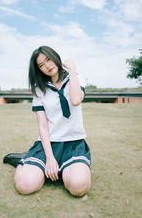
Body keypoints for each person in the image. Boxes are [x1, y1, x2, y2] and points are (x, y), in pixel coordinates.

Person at [14, 46, 91, 196]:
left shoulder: (76, 78)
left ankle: (63, 168)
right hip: (48, 144)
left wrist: (73, 70)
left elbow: (75, 100)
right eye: (41, 65)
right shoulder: (39, 90)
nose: (47, 66)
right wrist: (49, 158)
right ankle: (27, 159)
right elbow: (43, 126)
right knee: (25, 186)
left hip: (73, 143)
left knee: (78, 187)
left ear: (55, 57)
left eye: (48, 60)